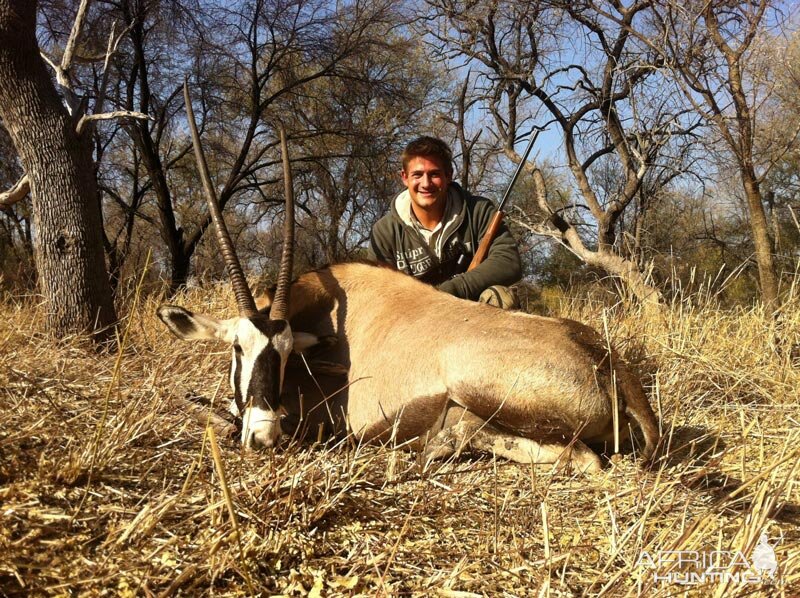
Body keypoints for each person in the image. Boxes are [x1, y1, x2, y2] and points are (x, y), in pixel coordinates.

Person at [368, 136, 522, 308]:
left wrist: (449, 291)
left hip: (474, 315)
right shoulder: (384, 231)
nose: (426, 184)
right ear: (404, 177)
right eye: (417, 175)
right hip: (415, 320)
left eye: (434, 174)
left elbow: (508, 261)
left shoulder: (479, 210)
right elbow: (378, 293)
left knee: (500, 297)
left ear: (448, 175)